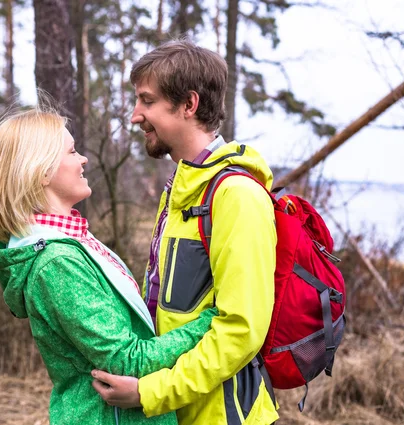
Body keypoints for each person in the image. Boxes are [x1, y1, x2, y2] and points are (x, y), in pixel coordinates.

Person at [0, 105, 217, 425]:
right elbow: (126, 360)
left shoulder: (74, 244)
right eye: (72, 151)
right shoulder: (57, 265)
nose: (83, 159)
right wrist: (213, 319)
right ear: (41, 170)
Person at [92, 40, 279, 425]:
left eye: (147, 101)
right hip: (176, 413)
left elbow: (241, 331)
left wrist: (150, 392)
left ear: (189, 105)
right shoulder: (180, 188)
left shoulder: (236, 196)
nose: (134, 115)